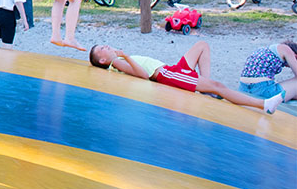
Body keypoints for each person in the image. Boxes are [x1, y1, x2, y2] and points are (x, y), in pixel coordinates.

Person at [89, 41, 284, 113]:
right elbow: (143, 75)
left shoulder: (116, 61)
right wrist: (125, 55)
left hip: (170, 69)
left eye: (103, 45)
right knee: (217, 85)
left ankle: (205, 87)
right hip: (166, 75)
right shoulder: (117, 62)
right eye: (101, 50)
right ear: (104, 60)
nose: (105, 46)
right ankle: (263, 105)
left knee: (202, 45)